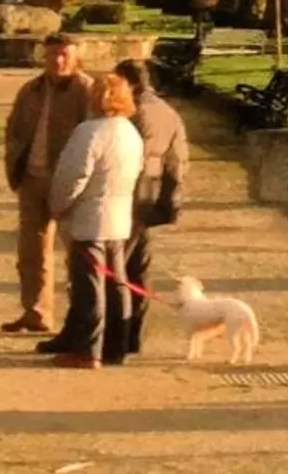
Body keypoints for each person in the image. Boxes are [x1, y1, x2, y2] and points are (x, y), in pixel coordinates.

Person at [35, 69, 143, 369]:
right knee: (116, 283)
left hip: (90, 217)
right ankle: (115, 346)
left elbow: (72, 176)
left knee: (88, 287)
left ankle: (87, 349)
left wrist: (58, 205)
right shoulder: (129, 132)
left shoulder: (90, 132)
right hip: (119, 216)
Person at [1, 31, 97, 332]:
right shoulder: (30, 90)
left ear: (75, 57)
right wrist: (15, 162)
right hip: (32, 178)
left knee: (77, 252)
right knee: (31, 250)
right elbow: (13, 128)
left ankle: (79, 317)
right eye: (53, 54)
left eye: (64, 55)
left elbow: (94, 138)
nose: (57, 61)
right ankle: (36, 311)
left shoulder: (87, 91)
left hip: (69, 183)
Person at [115, 59, 188, 356]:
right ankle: (134, 336)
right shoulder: (168, 112)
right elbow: (178, 159)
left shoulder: (134, 114)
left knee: (118, 267)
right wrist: (171, 199)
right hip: (152, 193)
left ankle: (117, 336)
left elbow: (128, 157)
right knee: (139, 268)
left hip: (130, 193)